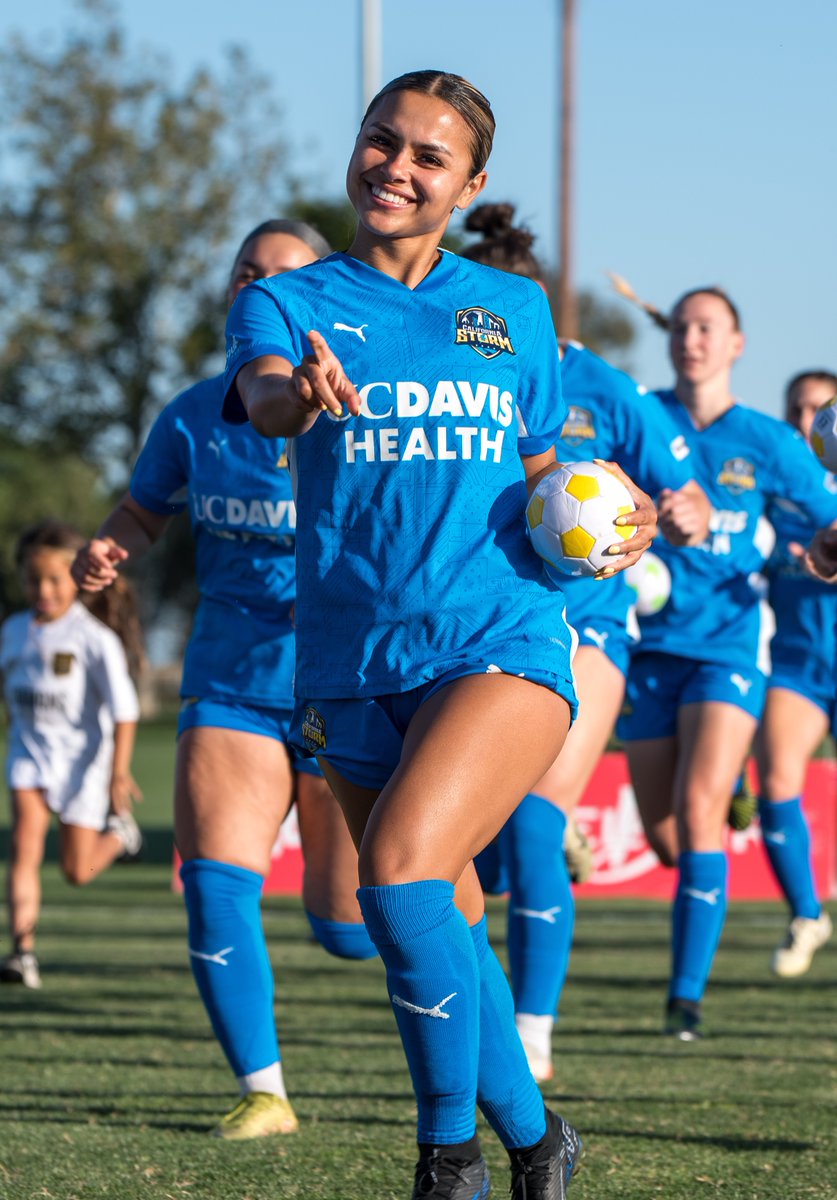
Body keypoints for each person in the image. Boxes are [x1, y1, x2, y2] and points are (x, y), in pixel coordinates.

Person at [221, 71, 657, 1199]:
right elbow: (266, 397)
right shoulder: (288, 299)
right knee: (445, 922)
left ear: (469, 184)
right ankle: (537, 1143)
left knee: (403, 883)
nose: (396, 168)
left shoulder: (510, 311)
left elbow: (539, 475)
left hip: (500, 635)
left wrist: (610, 519)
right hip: (351, 659)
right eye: (382, 142)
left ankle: (445, 1160)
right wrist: (298, 399)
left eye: (427, 156)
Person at [72, 218, 375, 1142]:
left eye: (281, 273)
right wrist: (110, 546)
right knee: (214, 883)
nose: (258, 283)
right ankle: (265, 1091)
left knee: (350, 924)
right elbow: (144, 509)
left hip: (342, 684)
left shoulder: (371, 409)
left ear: (316, 298)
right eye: (247, 270)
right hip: (231, 675)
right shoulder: (194, 414)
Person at [462, 203, 711, 1083]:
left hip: (588, 626)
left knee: (533, 822)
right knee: (467, 852)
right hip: (476, 627)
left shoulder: (600, 386)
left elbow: (674, 497)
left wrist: (652, 516)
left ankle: (531, 1035)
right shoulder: (454, 379)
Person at [614, 286, 837, 1040]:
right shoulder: (637, 413)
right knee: (669, 839)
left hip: (729, 650)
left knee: (702, 811)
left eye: (707, 327)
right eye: (680, 326)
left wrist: (823, 550)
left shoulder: (770, 441)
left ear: (735, 344)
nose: (691, 339)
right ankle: (727, 812)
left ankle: (683, 1002)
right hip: (646, 649)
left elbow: (823, 521)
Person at [1, 520, 143, 990]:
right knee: (23, 850)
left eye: (53, 579)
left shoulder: (93, 638)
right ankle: (22, 953)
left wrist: (118, 774)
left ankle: (119, 836)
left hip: (84, 766)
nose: (42, 589)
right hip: (29, 756)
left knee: (76, 871)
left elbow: (125, 710)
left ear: (74, 580)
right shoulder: (13, 631)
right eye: (32, 579)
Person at [755, 370, 837, 976]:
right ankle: (808, 913)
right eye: (799, 408)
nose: (810, 420)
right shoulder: (770, 486)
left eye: (820, 408)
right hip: (797, 662)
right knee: (777, 775)